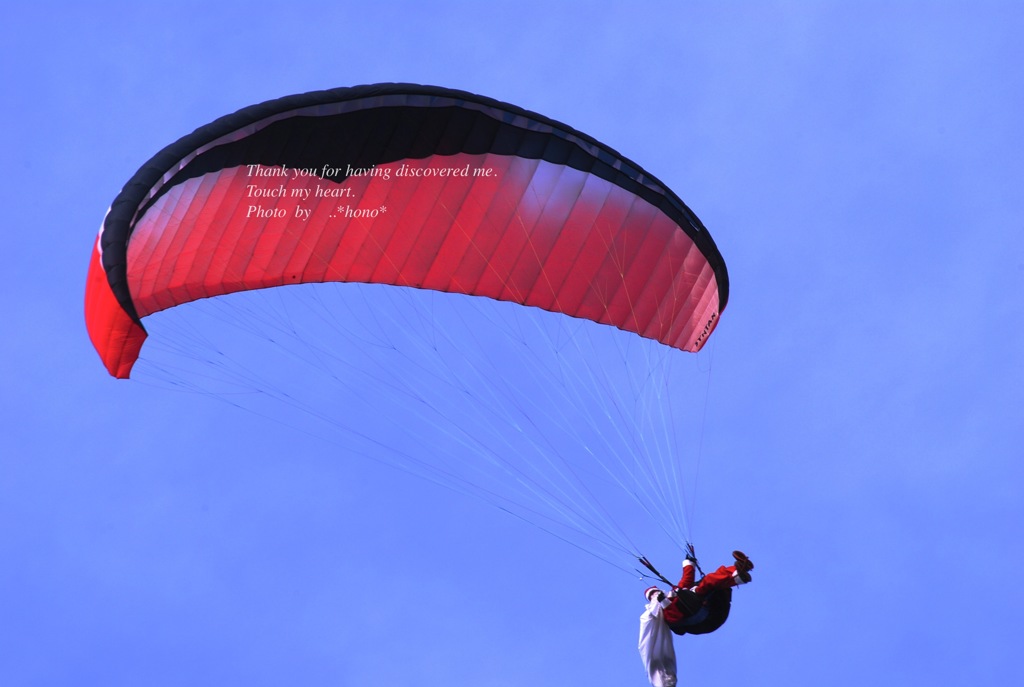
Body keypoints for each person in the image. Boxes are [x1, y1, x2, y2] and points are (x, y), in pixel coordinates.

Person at [638, 551, 754, 686]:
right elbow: (674, 618)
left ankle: (741, 570)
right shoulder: (660, 611)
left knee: (708, 582)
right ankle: (737, 574)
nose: (658, 592)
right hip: (703, 618)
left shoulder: (674, 594)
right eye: (655, 593)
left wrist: (689, 563)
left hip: (709, 609)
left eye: (656, 591)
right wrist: (664, 603)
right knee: (706, 583)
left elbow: (686, 581)